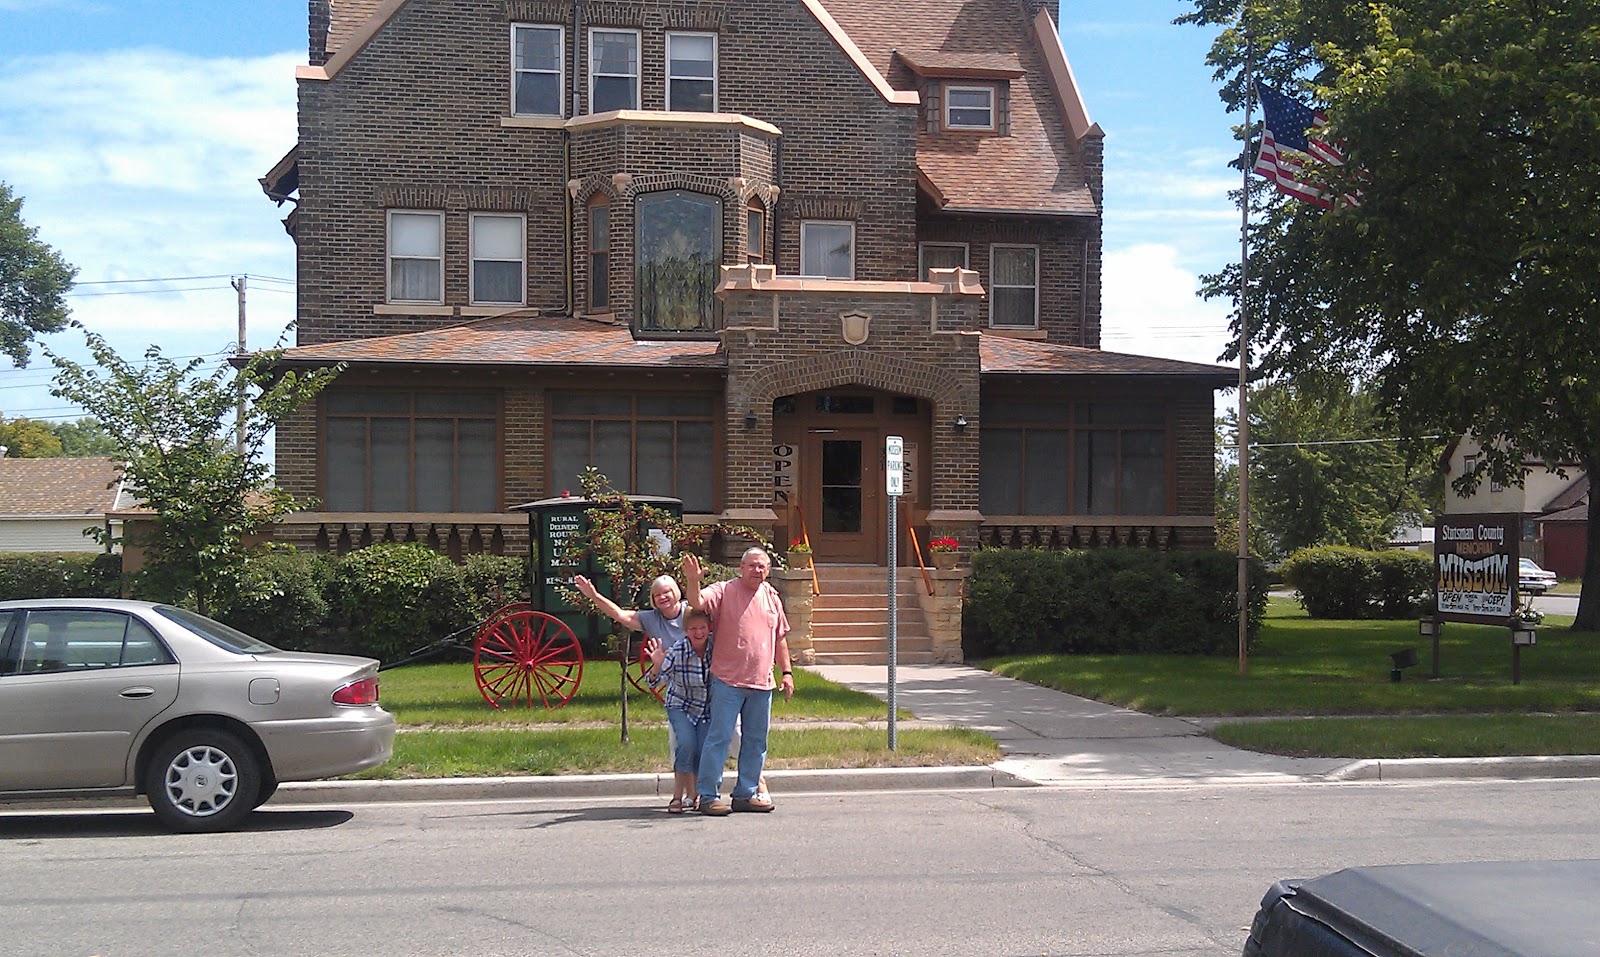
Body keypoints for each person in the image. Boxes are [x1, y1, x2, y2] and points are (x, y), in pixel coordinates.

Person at [683, 547, 793, 816]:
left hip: (762, 683)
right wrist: (693, 580)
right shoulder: (724, 591)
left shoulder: (772, 597)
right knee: (719, 739)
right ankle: (708, 796)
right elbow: (697, 602)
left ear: (768, 570)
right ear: (741, 568)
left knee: (756, 741)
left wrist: (787, 672)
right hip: (727, 681)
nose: (757, 570)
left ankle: (746, 794)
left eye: (762, 566)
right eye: (752, 565)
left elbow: (780, 637)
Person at [643, 609, 713, 814]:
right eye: (693, 628)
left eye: (702, 627)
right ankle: (677, 796)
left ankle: (697, 794)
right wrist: (656, 666)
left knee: (703, 749)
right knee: (686, 744)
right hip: (680, 705)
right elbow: (653, 682)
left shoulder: (716, 647)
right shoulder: (678, 650)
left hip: (705, 707)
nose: (698, 632)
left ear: (709, 628)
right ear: (686, 630)